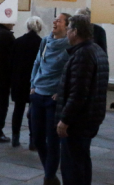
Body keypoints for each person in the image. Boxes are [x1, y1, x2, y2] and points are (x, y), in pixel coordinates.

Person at [56, 15, 109, 185]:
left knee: (72, 166)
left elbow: (78, 93)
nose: (67, 32)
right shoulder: (96, 50)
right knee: (82, 160)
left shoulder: (83, 54)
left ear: (75, 32)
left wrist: (65, 120)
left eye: (68, 29)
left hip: (79, 121)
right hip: (91, 116)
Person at [29, 13, 71, 185]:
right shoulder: (46, 41)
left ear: (67, 26)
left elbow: (70, 70)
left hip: (53, 98)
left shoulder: (69, 44)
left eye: (59, 20)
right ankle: (50, 174)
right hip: (38, 93)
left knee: (53, 140)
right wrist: (33, 84)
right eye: (54, 19)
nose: (54, 22)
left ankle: (48, 177)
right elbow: (37, 62)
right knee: (38, 139)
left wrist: (61, 91)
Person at [10, 17, 43, 148]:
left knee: (18, 109)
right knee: (33, 111)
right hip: (34, 81)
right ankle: (33, 140)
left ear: (27, 27)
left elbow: (11, 62)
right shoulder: (41, 43)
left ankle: (15, 138)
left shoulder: (18, 41)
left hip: (19, 80)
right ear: (39, 27)